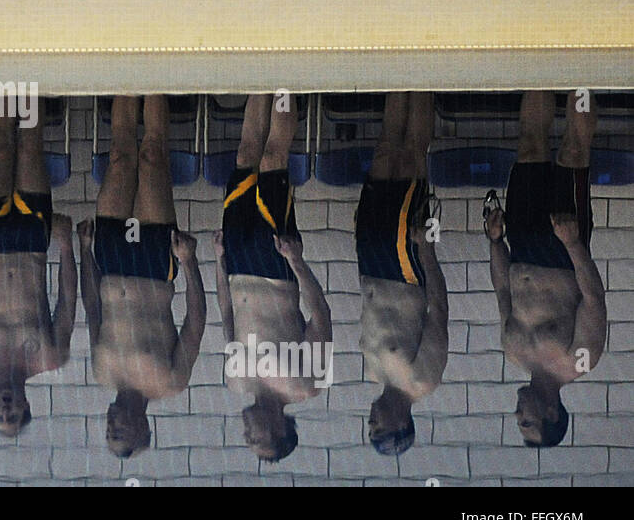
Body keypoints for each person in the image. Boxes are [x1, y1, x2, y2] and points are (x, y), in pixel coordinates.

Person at [81, 96, 205, 458]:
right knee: (151, 158)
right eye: (120, 433)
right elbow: (195, 322)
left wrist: (86, 253)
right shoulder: (171, 382)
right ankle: (155, 79)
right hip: (153, 267)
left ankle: (126, 74)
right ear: (143, 428)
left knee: (120, 159)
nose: (112, 426)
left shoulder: (102, 372)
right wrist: (189, 262)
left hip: (111, 262)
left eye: (108, 432)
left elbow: (92, 308)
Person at [486, 90, 605, 447]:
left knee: (529, 149)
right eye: (527, 421)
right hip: (561, 249)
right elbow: (593, 298)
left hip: (520, 243)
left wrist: (495, 242)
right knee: (573, 153)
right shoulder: (580, 361)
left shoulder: (515, 353)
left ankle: (541, 73)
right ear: (551, 413)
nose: (518, 414)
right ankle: (583, 79)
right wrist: (572, 242)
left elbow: (503, 291)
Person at [215, 94, 330, 461]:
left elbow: (227, 312)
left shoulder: (236, 381)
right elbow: (320, 315)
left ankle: (258, 80)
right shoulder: (306, 385)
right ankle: (285, 81)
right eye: (257, 438)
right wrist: (296, 261)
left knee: (245, 157)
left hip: (237, 267)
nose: (247, 432)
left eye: (246, 439)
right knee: (272, 161)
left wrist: (220, 261)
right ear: (281, 430)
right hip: (275, 269)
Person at [0, 111, 76, 436]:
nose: (6, 410)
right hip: (32, 240)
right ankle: (32, 79)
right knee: (29, 151)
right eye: (12, 416)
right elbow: (66, 303)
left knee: (2, 151)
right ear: (26, 407)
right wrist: (66, 247)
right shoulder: (51, 357)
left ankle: (6, 81)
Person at [356, 93, 448, 456]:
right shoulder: (423, 379)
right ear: (400, 424)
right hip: (404, 267)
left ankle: (397, 79)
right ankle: (423, 82)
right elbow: (438, 312)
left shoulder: (374, 374)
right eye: (376, 425)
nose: (371, 418)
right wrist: (426, 249)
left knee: (384, 155)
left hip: (370, 264)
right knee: (412, 157)